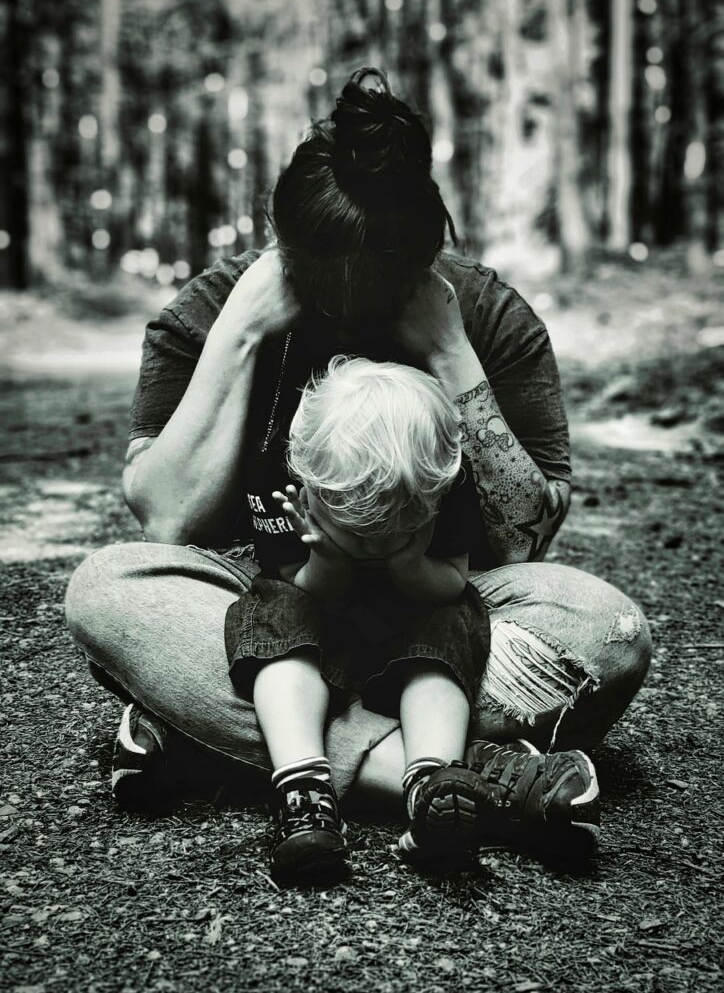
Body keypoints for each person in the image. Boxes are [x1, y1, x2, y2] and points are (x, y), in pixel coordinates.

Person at [64, 67, 650, 862]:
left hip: (438, 618)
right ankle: (444, 773)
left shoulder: (487, 316)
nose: (345, 304)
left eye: (378, 282)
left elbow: (521, 546)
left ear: (427, 252)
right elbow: (169, 521)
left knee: (606, 629)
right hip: (268, 610)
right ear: (282, 245)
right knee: (107, 591)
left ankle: (228, 746)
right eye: (319, 280)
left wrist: (451, 352)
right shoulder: (213, 310)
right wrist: (239, 333)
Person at [225, 355, 491, 883]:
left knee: (452, 620)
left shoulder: (453, 485)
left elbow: (453, 582)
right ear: (311, 488)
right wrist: (327, 556)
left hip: (410, 619)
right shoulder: (283, 485)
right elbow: (299, 586)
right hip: (321, 617)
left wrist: (409, 562)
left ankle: (430, 786)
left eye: (396, 525)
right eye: (357, 527)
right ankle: (303, 793)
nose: (374, 542)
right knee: (275, 609)